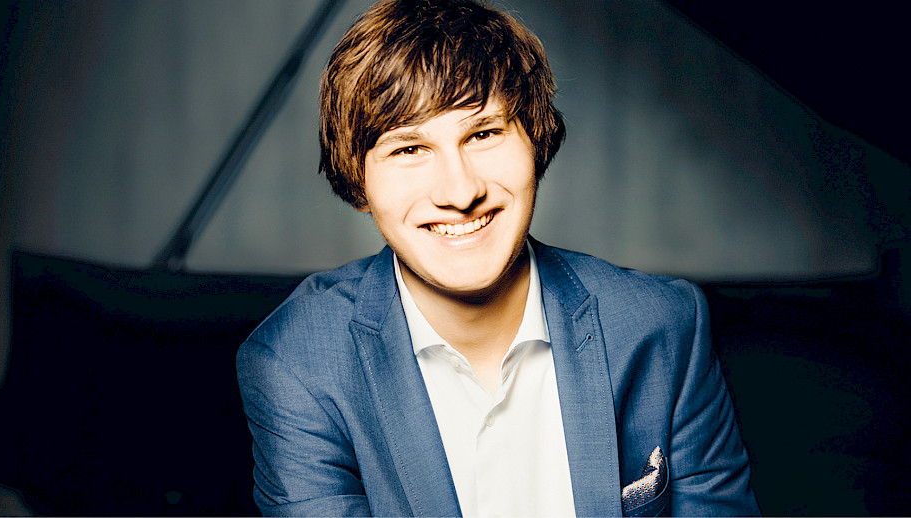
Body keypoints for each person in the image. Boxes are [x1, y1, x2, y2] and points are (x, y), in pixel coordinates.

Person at [236, 0, 760, 516]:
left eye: (483, 134)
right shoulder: (298, 365)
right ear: (359, 178)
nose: (460, 192)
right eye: (409, 149)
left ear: (535, 142)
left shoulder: (662, 325)